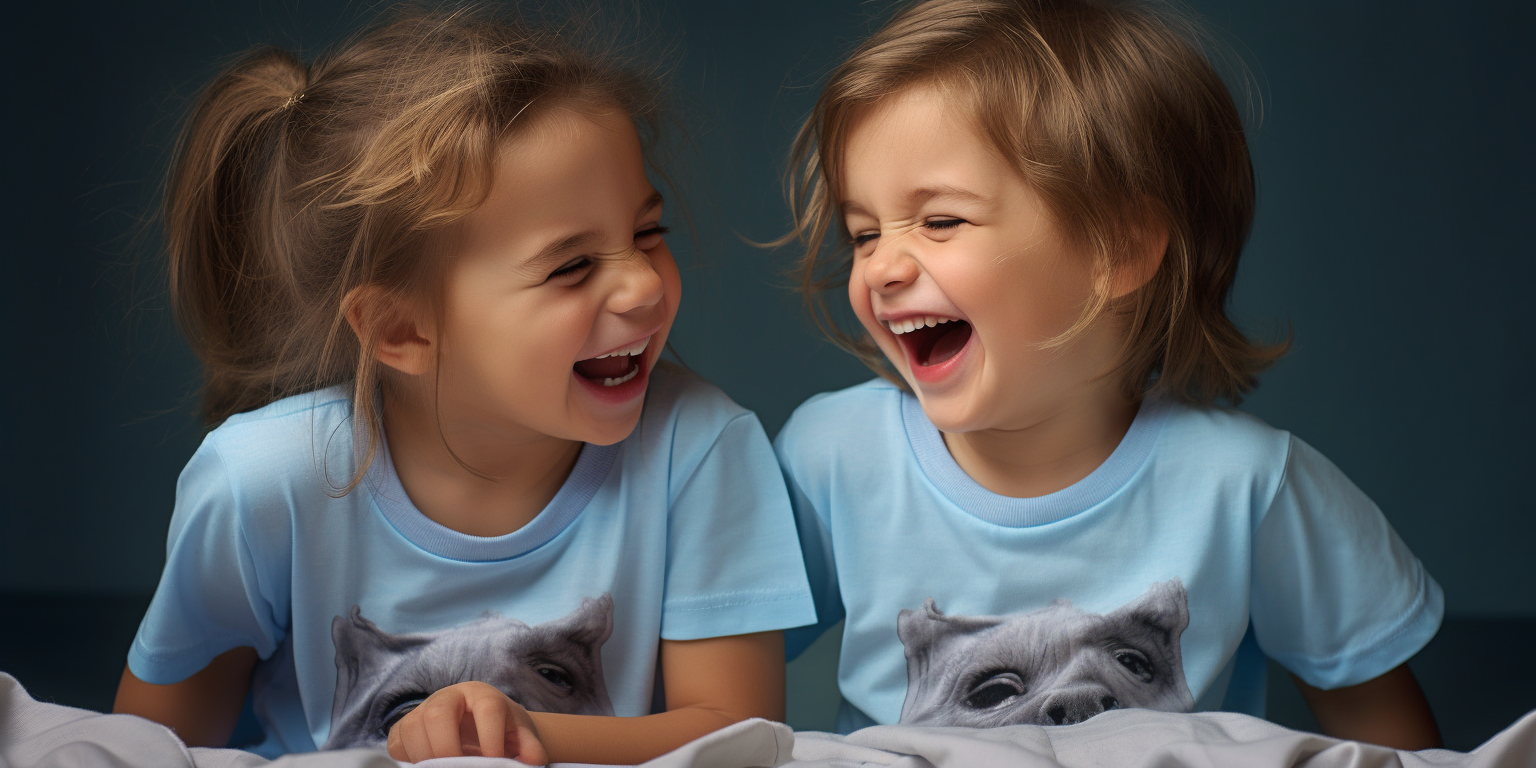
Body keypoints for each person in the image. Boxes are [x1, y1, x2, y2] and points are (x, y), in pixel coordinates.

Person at [112, 8, 814, 763]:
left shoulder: (702, 450)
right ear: (400, 332)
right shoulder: (263, 483)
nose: (644, 284)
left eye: (648, 234)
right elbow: (155, 744)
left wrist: (532, 733)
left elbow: (744, 736)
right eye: (572, 265)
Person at [774, 0, 1442, 750]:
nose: (881, 267)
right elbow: (719, 696)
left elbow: (1394, 743)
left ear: (1117, 248)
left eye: (940, 222)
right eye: (863, 233)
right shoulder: (831, 457)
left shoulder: (1250, 486)